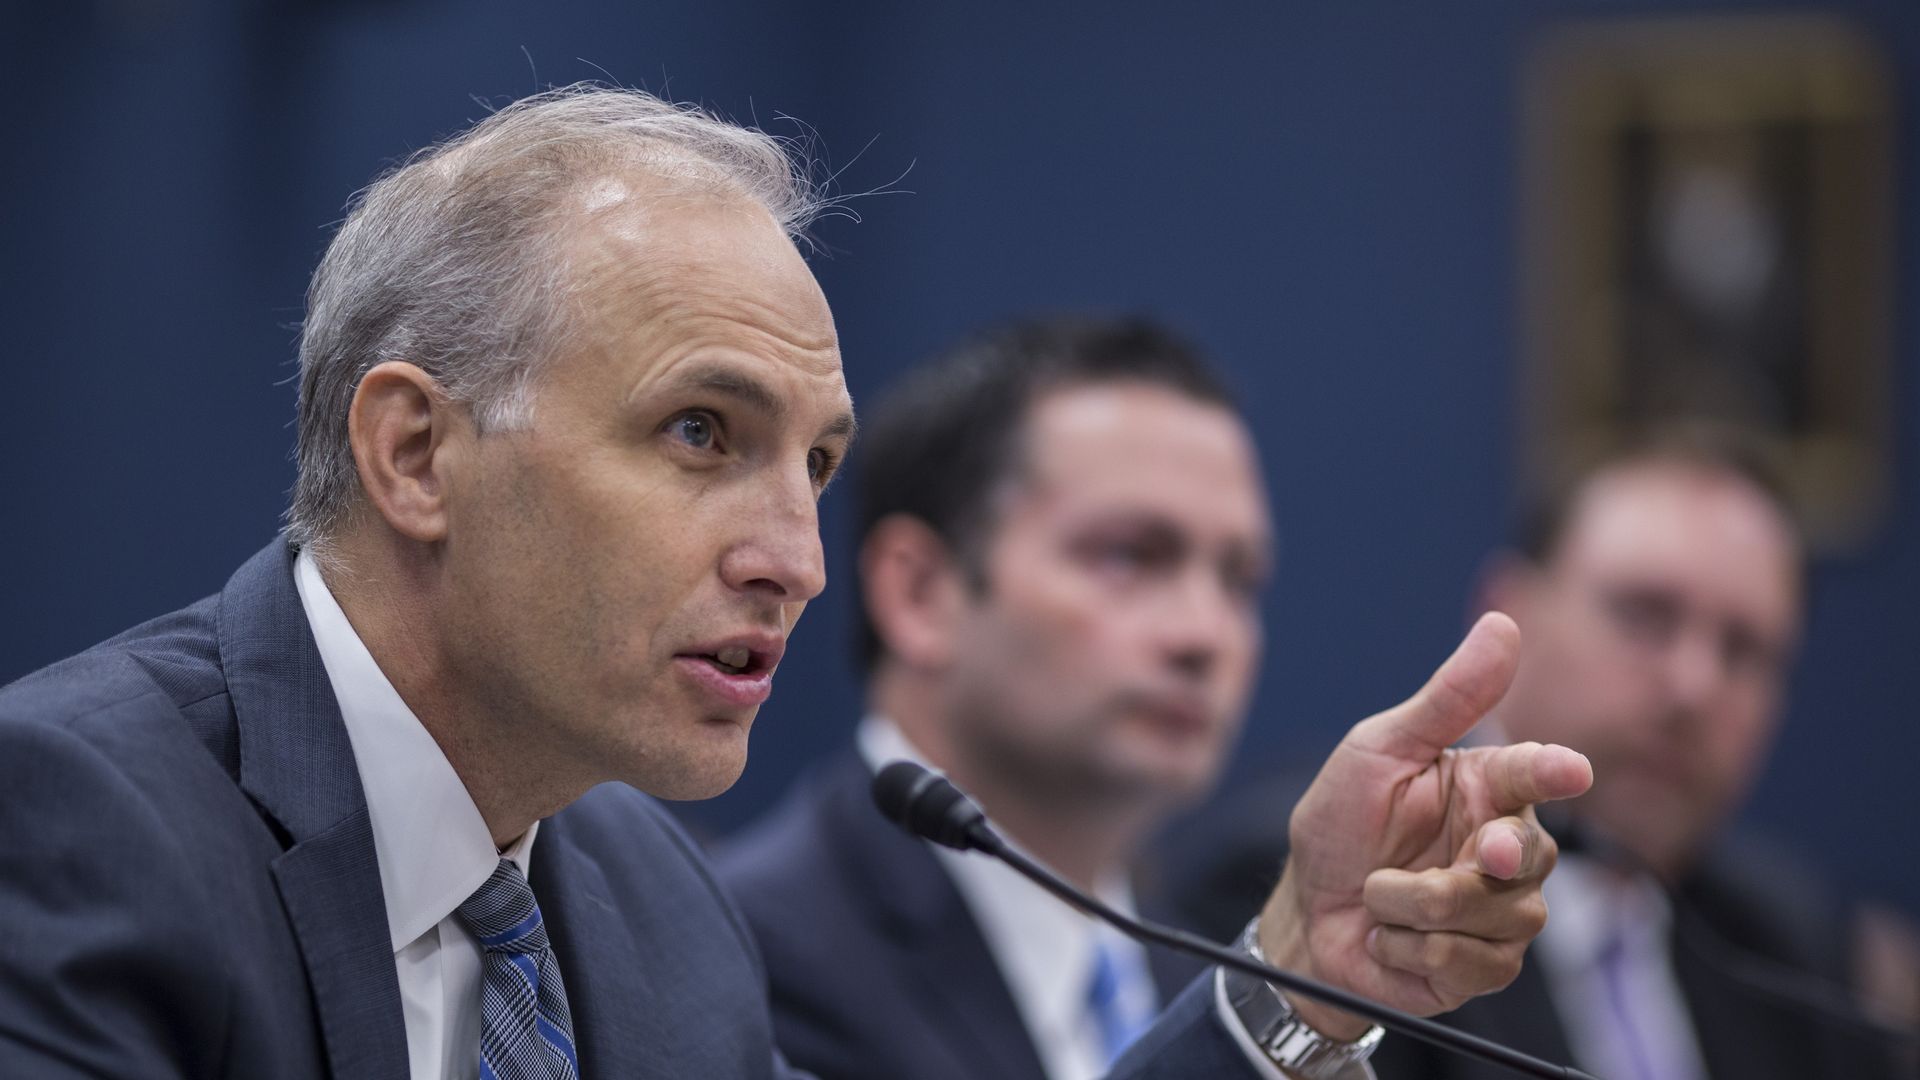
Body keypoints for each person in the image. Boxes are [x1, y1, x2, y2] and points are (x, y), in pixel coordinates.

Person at [0, 85, 1589, 1080]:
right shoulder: (79, 825)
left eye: (817, 466)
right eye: (704, 433)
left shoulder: (647, 907)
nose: (796, 560)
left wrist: (1295, 981)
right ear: (417, 454)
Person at [715, 316, 1590, 1080]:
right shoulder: (738, 953)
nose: (1205, 634)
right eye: (1131, 556)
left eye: (1239, 579)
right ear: (922, 592)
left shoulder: (1197, 970)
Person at [1168, 430, 1918, 1079]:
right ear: (1513, 611)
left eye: (1745, 650)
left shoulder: (1786, 940)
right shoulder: (1343, 885)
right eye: (1645, 615)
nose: (1694, 687)